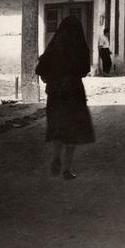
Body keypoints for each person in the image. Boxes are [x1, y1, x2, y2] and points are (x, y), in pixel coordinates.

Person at [36, 16, 95, 180]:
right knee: (73, 129)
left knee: (58, 125)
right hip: (74, 91)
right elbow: (84, 70)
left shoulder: (54, 46)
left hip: (56, 93)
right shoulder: (81, 47)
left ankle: (56, 155)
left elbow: (41, 69)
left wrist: (52, 78)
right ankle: (67, 169)